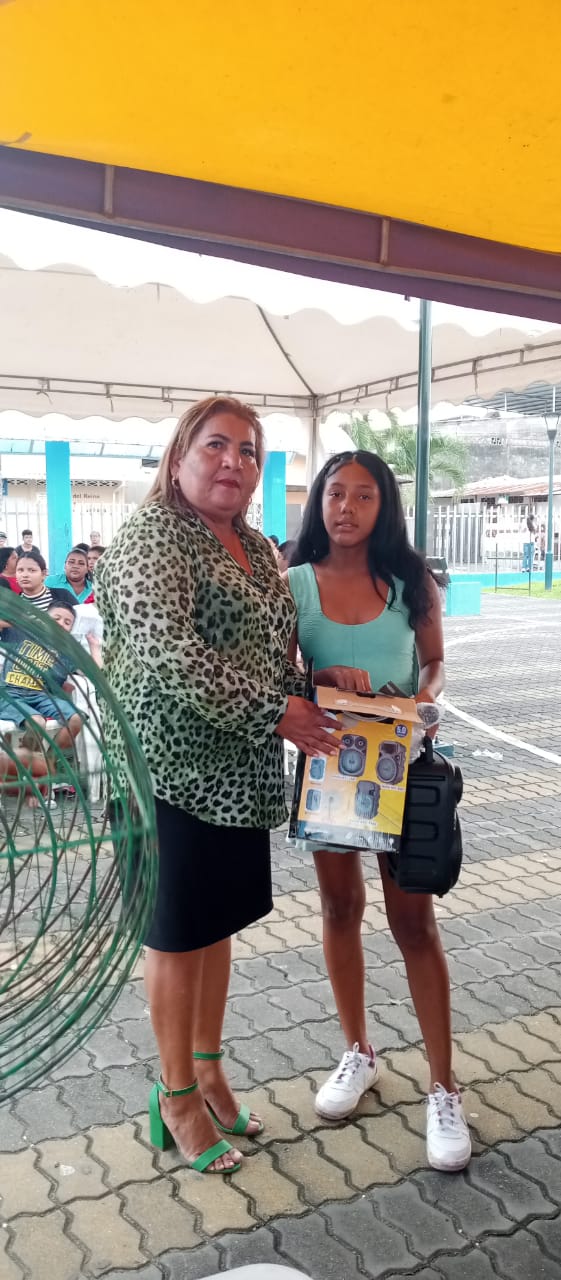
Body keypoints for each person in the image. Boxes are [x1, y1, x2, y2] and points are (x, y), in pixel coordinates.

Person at [96, 395, 335, 1177]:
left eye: (248, 450)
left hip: (236, 775)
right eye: (215, 445)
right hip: (164, 773)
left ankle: (206, 1071)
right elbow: (171, 653)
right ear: (178, 458)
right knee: (176, 933)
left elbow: (271, 650)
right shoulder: (150, 538)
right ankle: (173, 1097)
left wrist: (317, 693)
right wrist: (277, 712)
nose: (233, 461)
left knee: (215, 925)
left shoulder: (257, 547)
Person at [285, 449, 471, 1174]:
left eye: (364, 495)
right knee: (339, 910)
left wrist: (423, 701)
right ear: (319, 502)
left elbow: (434, 662)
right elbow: (280, 673)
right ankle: (358, 1051)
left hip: (402, 767)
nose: (347, 507)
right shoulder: (294, 583)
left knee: (413, 924)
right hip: (330, 770)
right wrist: (316, 676)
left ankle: (443, 1087)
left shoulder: (409, 580)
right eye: (336, 493)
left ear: (384, 506)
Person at [0, 600, 84, 758]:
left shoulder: (67, 652)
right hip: (9, 693)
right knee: (37, 723)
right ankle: (27, 766)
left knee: (76, 719)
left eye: (67, 623)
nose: (61, 624)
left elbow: (95, 670)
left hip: (41, 697)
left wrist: (94, 647)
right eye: (56, 618)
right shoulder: (21, 632)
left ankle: (49, 762)